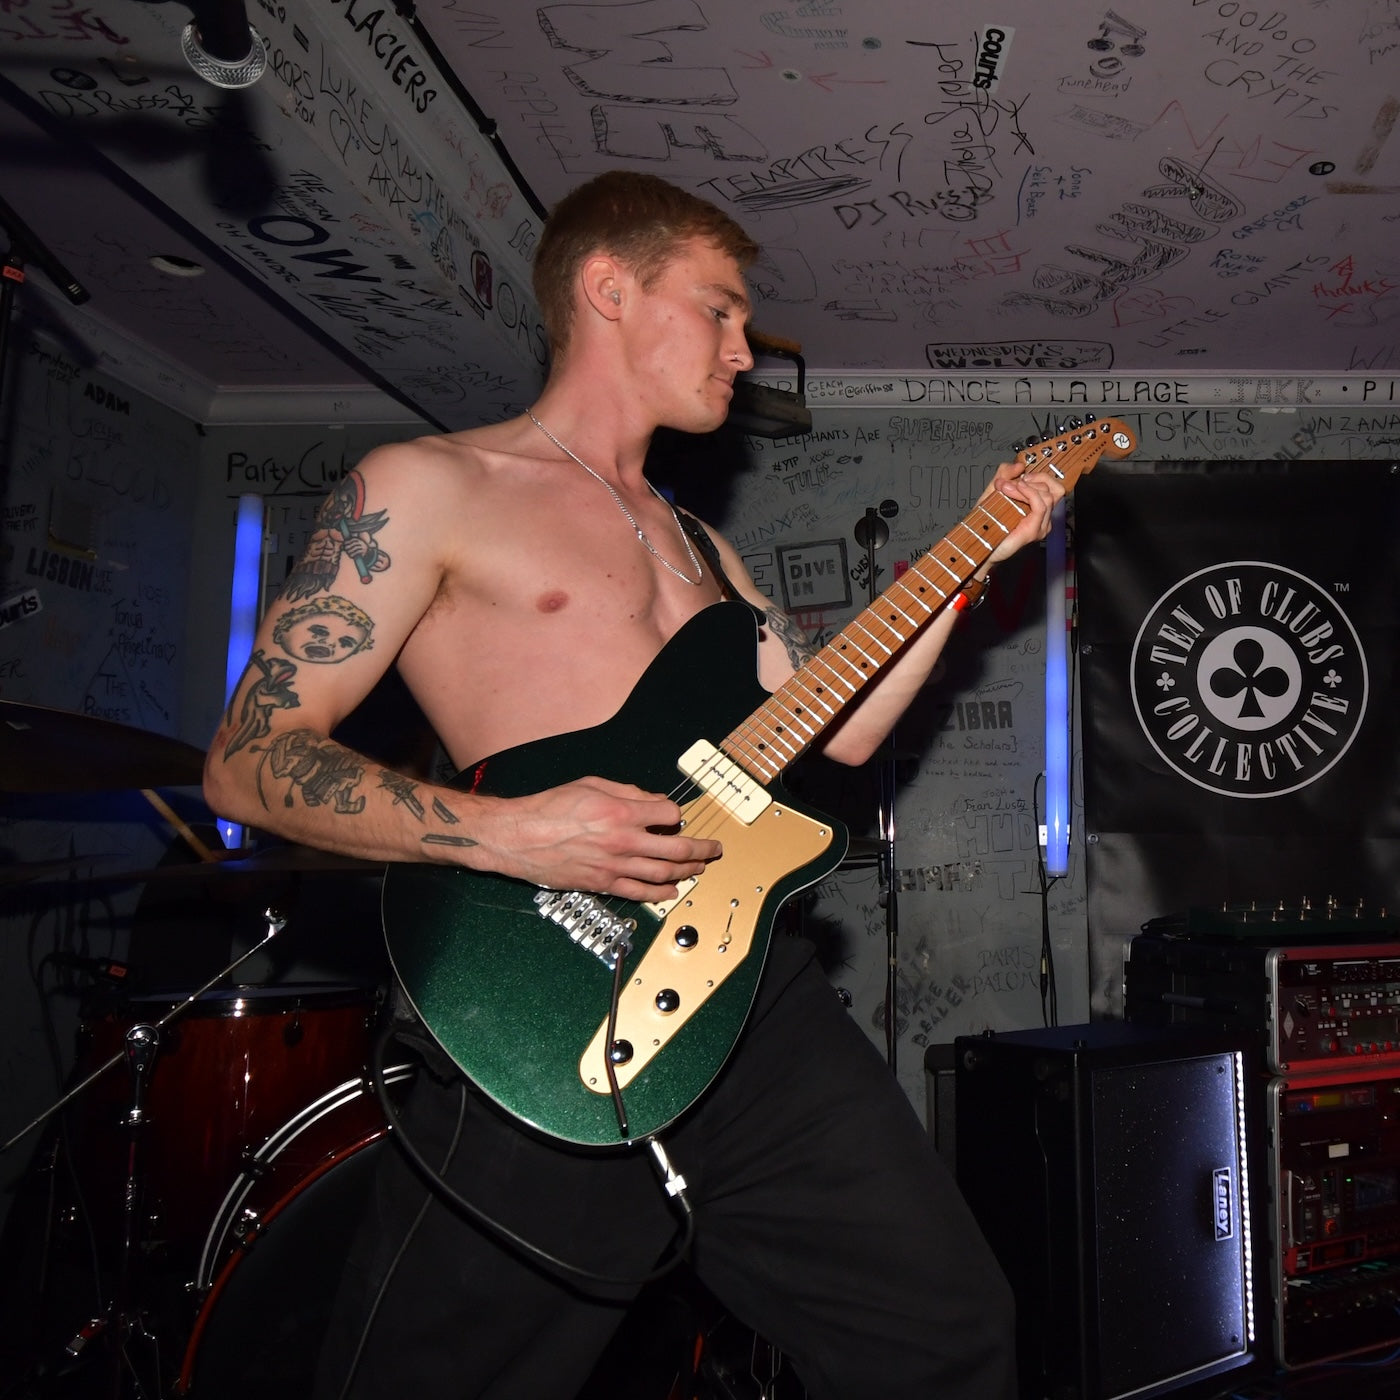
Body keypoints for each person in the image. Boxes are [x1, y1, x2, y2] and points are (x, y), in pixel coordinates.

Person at [203, 170, 1063, 1400]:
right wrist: (508, 831)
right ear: (609, 287)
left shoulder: (700, 546)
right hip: (540, 990)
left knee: (946, 1327)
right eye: (717, 309)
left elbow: (846, 725)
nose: (742, 347)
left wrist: (976, 544)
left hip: (746, 995)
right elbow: (248, 754)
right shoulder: (432, 485)